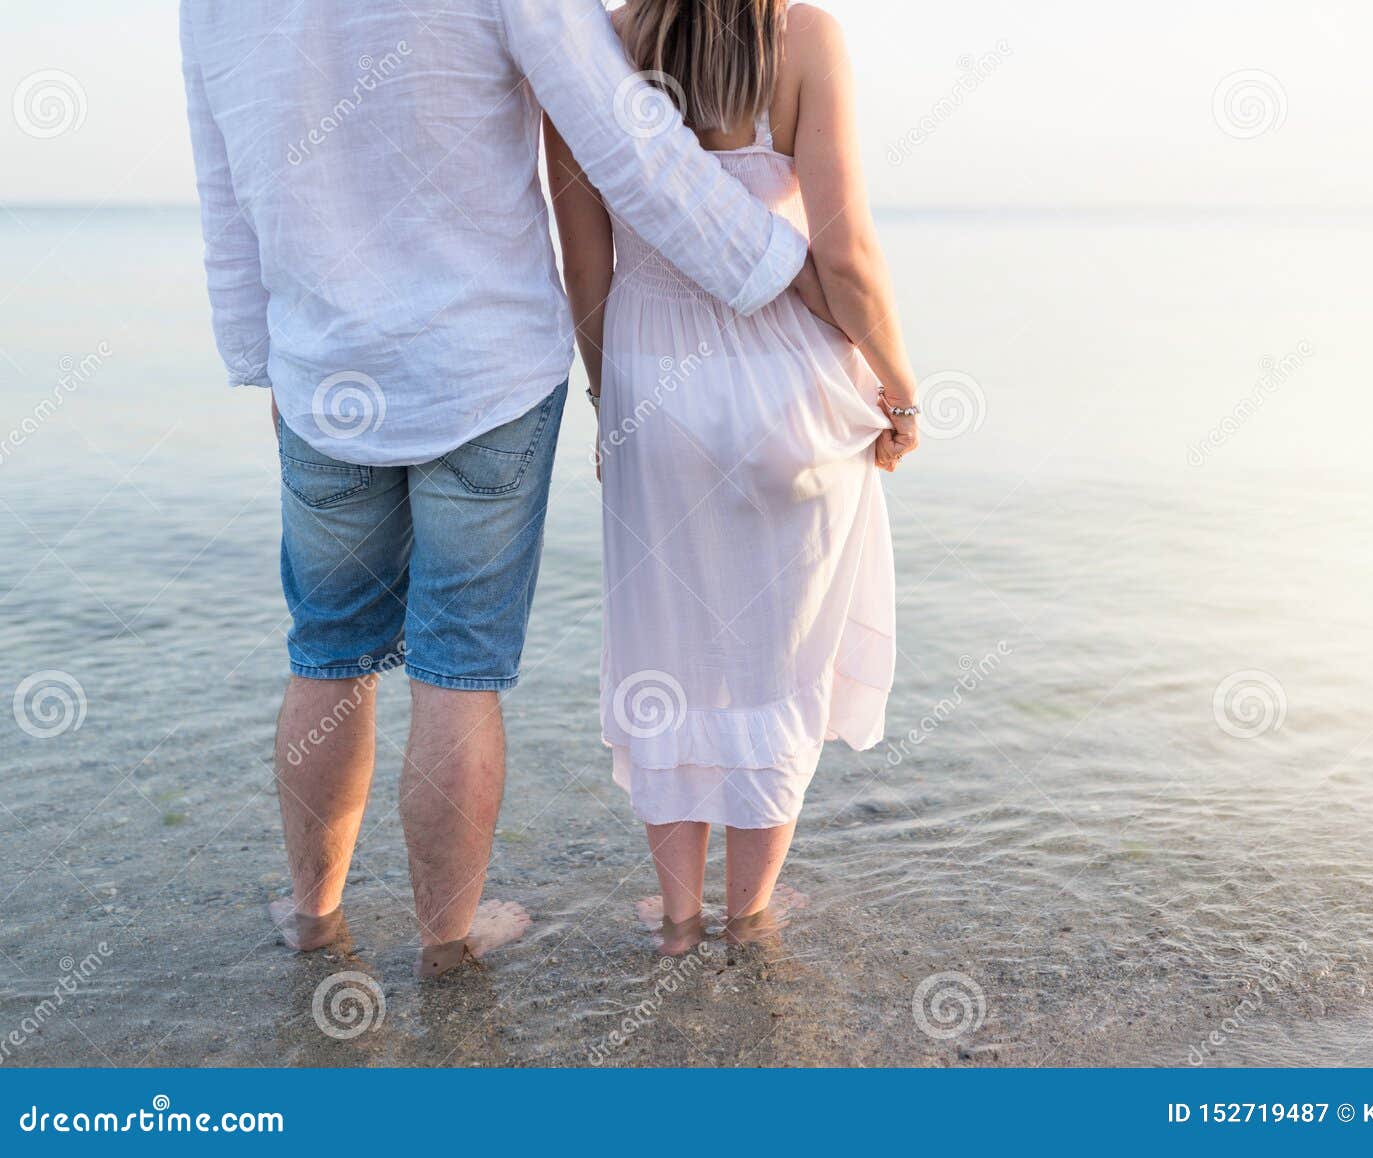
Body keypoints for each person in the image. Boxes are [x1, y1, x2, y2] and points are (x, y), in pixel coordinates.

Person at [180, 0, 827, 977]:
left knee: (327, 654)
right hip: (482, 374)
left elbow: (222, 193)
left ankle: (314, 918)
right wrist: (781, 267)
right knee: (458, 669)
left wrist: (257, 364)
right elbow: (625, 144)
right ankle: (447, 942)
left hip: (320, 376)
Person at [546, 0, 920, 952]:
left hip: (652, 384)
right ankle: (748, 920)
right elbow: (845, 252)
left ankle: (676, 924)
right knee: (775, 665)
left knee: (667, 661)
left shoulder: (593, 42)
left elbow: (584, 262)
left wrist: (609, 400)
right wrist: (901, 388)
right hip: (786, 391)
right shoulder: (803, 36)